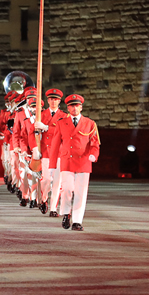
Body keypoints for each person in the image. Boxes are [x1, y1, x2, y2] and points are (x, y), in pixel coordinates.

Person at [49, 94, 100, 231]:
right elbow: (54, 147)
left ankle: (77, 221)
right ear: (68, 108)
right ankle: (66, 213)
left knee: (80, 193)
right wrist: (52, 166)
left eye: (76, 105)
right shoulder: (61, 123)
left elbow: (95, 144)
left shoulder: (90, 123)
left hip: (83, 161)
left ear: (81, 107)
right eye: (71, 106)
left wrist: (93, 155)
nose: (74, 108)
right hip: (67, 161)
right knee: (66, 189)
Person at [34, 88, 66, 216]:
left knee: (57, 181)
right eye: (52, 99)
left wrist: (47, 127)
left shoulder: (64, 116)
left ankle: (53, 208)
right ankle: (44, 198)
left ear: (59, 101)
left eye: (56, 99)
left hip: (58, 152)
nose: (54, 101)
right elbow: (33, 131)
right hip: (46, 151)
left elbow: (62, 132)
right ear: (48, 100)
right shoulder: (41, 114)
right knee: (46, 179)